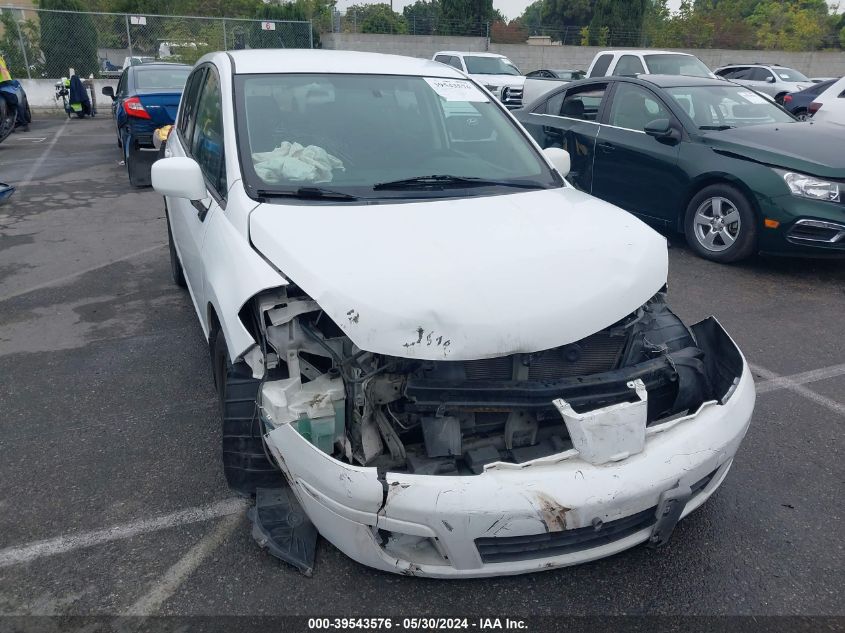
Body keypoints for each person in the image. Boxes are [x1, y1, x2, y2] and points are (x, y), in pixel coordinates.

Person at [0, 54, 30, 131]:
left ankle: (21, 122)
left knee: (13, 103)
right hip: (5, 83)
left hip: (3, 83)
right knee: (12, 103)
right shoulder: (1, 57)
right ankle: (16, 123)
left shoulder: (1, 58)